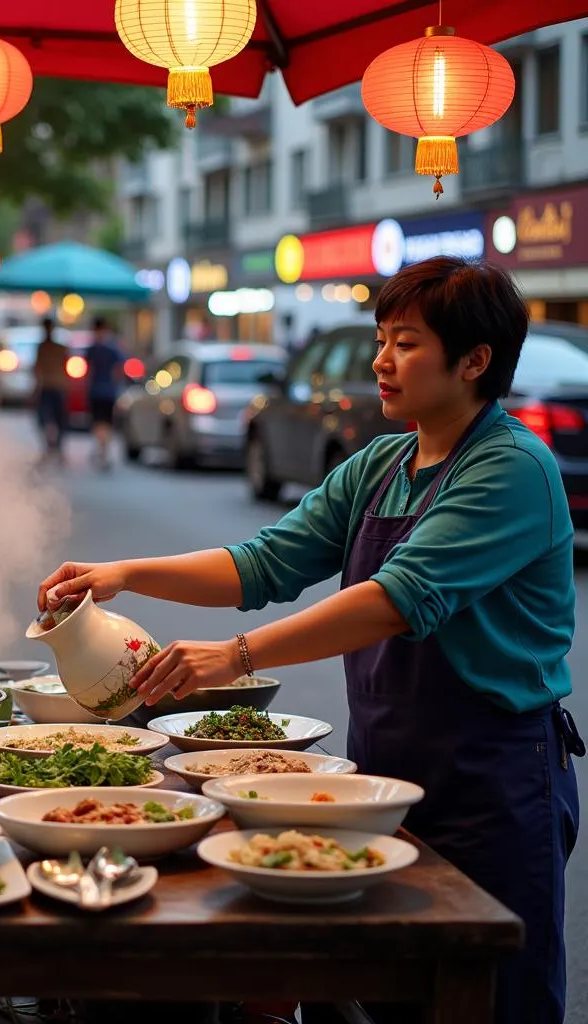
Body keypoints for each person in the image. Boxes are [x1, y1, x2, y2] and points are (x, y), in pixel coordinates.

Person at [38, 257, 581, 1024]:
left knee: (486, 996)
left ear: (475, 360)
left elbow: (398, 599)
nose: (380, 361)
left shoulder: (513, 468)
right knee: (372, 987)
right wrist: (123, 573)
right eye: (382, 339)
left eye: (406, 343)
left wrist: (235, 656)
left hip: (492, 784)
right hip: (384, 772)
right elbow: (264, 562)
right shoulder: (382, 464)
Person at [84, 316, 125, 469]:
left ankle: (101, 450)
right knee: (105, 423)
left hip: (97, 391)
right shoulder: (112, 348)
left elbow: (86, 369)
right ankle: (103, 451)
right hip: (107, 391)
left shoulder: (92, 349)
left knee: (99, 422)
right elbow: (120, 369)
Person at [32, 316, 69, 466]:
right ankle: (56, 447)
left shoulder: (45, 348)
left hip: (49, 386)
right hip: (55, 386)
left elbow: (37, 369)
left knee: (48, 418)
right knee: (55, 419)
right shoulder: (58, 348)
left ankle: (53, 446)